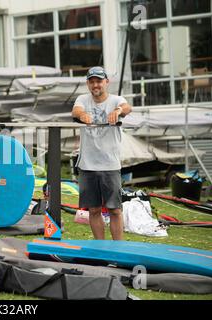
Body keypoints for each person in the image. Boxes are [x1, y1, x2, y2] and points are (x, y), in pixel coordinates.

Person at [71, 66, 132, 240]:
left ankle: (118, 249)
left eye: (99, 81)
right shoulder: (82, 99)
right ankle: (100, 248)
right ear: (88, 84)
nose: (96, 85)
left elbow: (127, 107)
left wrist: (118, 111)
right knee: (94, 209)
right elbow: (76, 111)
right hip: (87, 165)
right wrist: (82, 115)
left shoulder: (116, 100)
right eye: (92, 81)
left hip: (110, 165)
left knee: (115, 209)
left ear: (106, 82)